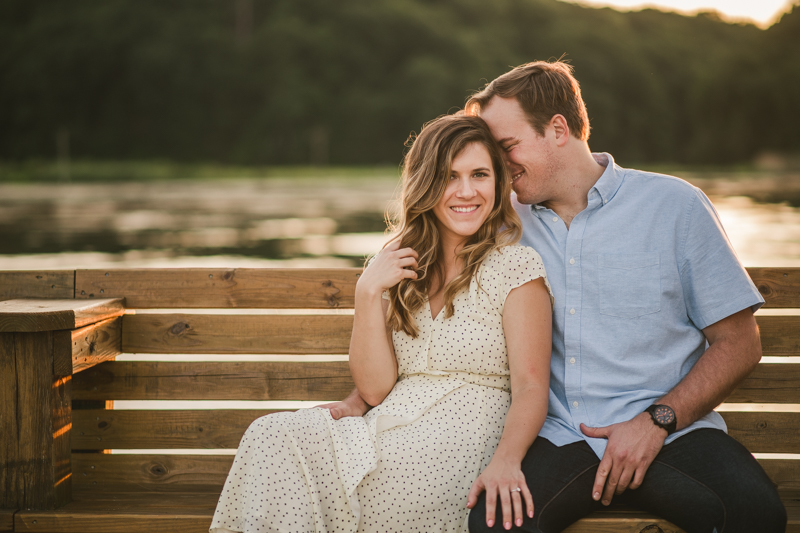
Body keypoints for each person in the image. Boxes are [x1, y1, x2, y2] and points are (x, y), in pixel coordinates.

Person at [460, 61, 788, 532]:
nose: (499, 163)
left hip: (672, 433)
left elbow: (739, 343)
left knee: (754, 514)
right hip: (556, 435)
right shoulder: (500, 221)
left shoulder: (675, 206)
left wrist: (657, 421)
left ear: (557, 129)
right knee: (494, 526)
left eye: (508, 146)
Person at [209, 114, 555, 533]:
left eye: (479, 174)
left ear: (497, 182)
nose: (466, 191)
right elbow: (375, 389)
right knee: (271, 434)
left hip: (459, 449)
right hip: (384, 431)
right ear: (426, 184)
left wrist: (507, 460)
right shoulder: (397, 265)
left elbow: (532, 386)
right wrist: (367, 292)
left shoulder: (516, 266)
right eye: (449, 177)